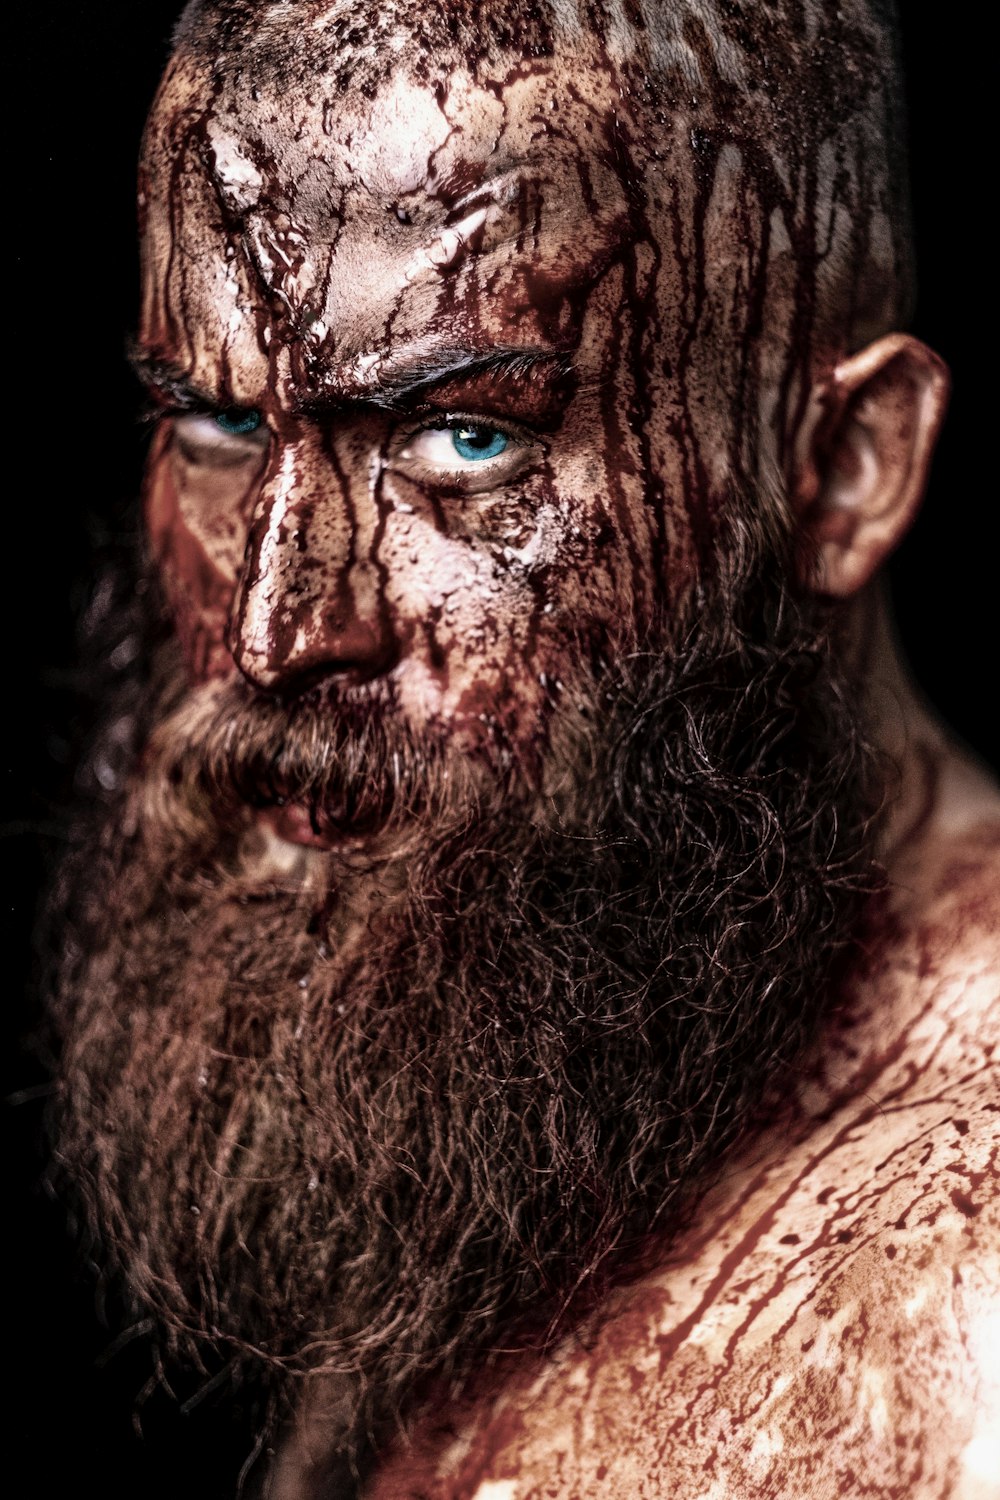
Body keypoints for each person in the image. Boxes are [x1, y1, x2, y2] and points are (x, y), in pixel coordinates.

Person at [45, 1, 998, 1496]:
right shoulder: (520, 1016)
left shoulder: (974, 1294)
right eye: (221, 424)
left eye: (465, 439)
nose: (276, 631)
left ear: (840, 469)